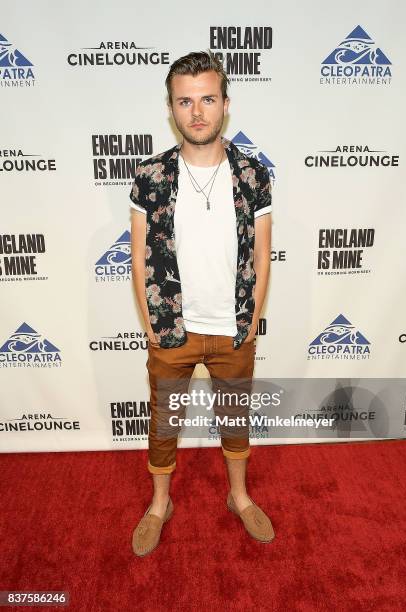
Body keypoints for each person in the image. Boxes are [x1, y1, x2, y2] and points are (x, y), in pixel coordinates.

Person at [129, 50, 274, 557]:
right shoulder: (150, 176)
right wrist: (152, 322)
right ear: (171, 109)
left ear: (225, 104)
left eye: (207, 99)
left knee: (236, 420)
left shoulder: (253, 175)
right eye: (185, 101)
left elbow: (261, 252)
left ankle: (239, 496)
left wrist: (252, 318)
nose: (197, 112)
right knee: (164, 423)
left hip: (233, 329)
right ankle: (159, 505)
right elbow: (139, 253)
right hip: (173, 331)